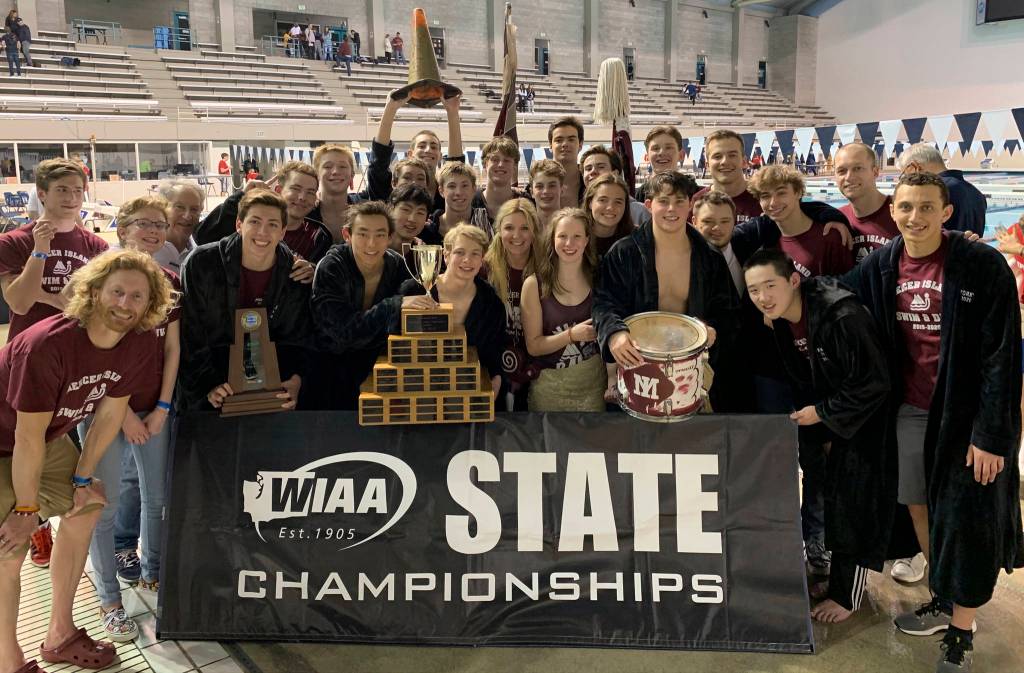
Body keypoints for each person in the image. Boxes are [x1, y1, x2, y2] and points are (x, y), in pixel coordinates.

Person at [842, 172, 1023, 673]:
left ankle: (962, 631)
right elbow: (835, 295)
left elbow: (1001, 356)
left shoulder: (981, 265)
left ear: (947, 212)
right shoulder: (882, 265)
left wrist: (992, 436)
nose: (914, 217)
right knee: (919, 505)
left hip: (967, 421)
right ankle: (944, 598)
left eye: (926, 207)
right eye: (905, 207)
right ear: (893, 211)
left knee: (965, 518)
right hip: (911, 411)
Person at [0, 249, 174, 673]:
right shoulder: (46, 345)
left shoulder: (135, 344)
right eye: (117, 292)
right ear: (94, 293)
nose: (125, 305)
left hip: (46, 436)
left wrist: (81, 479)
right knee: (9, 547)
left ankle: (59, 634)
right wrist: (26, 510)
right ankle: (9, 661)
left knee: (89, 505)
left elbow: (111, 413)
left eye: (138, 297)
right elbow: (25, 437)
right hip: (11, 437)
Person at [743, 249, 903, 624]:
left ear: (793, 281)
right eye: (754, 290)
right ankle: (836, 580)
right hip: (834, 414)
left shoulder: (842, 316)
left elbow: (877, 381)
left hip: (870, 419)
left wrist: (825, 413)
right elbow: (806, 375)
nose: (763, 297)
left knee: (853, 502)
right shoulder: (781, 319)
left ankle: (848, 596)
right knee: (829, 493)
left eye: (770, 285)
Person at [78, 197, 181, 642]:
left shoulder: (170, 281)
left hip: (151, 409)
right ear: (121, 228)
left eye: (160, 224)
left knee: (158, 498)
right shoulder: (105, 282)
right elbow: (94, 359)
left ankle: (153, 574)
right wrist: (122, 419)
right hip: (104, 411)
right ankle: (108, 599)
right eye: (143, 224)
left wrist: (161, 407)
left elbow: (173, 349)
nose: (153, 231)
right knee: (105, 506)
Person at [594, 171, 740, 412]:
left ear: (690, 205)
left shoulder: (709, 258)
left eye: (680, 201)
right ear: (650, 205)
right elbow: (604, 302)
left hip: (689, 371)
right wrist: (614, 334)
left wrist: (714, 330)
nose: (671, 209)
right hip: (637, 368)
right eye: (663, 201)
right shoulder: (623, 253)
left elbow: (729, 312)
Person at [178, 189, 311, 412]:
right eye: (255, 222)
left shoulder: (295, 274)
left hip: (271, 393)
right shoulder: (203, 263)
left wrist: (296, 379)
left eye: (272, 225)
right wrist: (207, 385)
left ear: (283, 232)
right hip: (213, 392)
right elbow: (191, 334)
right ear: (239, 224)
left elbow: (299, 337)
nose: (262, 232)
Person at [307, 201, 415, 410]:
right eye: (363, 234)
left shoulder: (397, 265)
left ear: (390, 237)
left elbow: (403, 328)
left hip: (378, 370)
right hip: (329, 371)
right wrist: (393, 305)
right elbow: (341, 333)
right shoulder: (331, 267)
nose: (371, 243)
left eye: (380, 234)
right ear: (347, 235)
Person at [0, 159, 108, 344]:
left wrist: (45, 296)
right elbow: (20, 304)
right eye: (62, 190)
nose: (71, 198)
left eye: (77, 191)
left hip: (78, 347)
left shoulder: (97, 246)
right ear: (42, 194)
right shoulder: (12, 242)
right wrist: (39, 251)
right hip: (31, 349)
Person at [399, 224, 506, 394]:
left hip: (467, 390)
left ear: (482, 259)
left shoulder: (491, 303)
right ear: (446, 255)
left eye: (475, 254)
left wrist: (497, 376)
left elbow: (495, 349)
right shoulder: (414, 290)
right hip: (418, 389)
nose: (467, 260)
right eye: (460, 252)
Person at [522, 208, 606, 411]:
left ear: (586, 241)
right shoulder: (534, 285)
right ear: (552, 240)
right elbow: (533, 346)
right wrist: (571, 335)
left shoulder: (600, 278)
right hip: (549, 391)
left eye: (577, 236)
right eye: (562, 236)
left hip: (593, 388)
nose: (569, 244)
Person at [485, 199, 545, 412]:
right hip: (494, 366)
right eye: (509, 228)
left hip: (537, 366)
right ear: (499, 230)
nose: (516, 236)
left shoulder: (547, 269)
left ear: (534, 231)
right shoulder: (486, 267)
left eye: (525, 228)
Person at [746, 165, 854, 279]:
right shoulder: (764, 242)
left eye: (781, 193)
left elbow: (846, 289)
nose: (773, 202)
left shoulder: (830, 237)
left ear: (798, 192)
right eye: (765, 196)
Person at [898, 142, 987, 236]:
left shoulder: (933, 191)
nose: (905, 180)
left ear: (914, 167)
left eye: (904, 175)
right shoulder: (976, 193)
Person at [835, 142, 900, 264]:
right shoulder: (836, 219)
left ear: (875, 172)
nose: (849, 177)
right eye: (842, 171)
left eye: (858, 168)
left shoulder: (903, 212)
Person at [271, 161, 331, 266]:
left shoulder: (319, 237)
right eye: (296, 189)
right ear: (278, 191)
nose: (302, 197)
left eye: (310, 192)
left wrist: (314, 272)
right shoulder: (255, 228)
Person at [580, 144, 651, 227]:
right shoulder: (579, 215)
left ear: (615, 173)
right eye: (588, 169)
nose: (593, 172)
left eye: (601, 167)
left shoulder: (639, 212)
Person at [423, 161, 490, 245]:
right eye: (452, 186)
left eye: (464, 186)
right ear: (441, 191)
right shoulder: (427, 228)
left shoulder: (487, 223)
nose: (458, 192)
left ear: (474, 189)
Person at [152, 179, 203, 273]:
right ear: (162, 208)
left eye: (194, 209)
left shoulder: (202, 253)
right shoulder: (149, 251)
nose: (187, 216)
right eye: (179, 207)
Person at [583, 174, 635, 260]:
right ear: (590, 203)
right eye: (603, 200)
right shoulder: (575, 237)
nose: (610, 207)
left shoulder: (637, 239)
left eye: (618, 202)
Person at [472, 136, 522, 224]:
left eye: (506, 160)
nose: (501, 164)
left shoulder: (525, 202)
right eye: (495, 159)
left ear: (514, 167)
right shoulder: (470, 202)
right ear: (485, 164)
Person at [635, 126, 684, 202]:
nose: (661, 152)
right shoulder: (635, 198)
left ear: (681, 155)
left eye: (668, 147)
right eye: (655, 148)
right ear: (647, 157)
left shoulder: (696, 195)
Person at [388, 183, 433, 253]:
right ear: (391, 209)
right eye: (406, 210)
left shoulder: (424, 253)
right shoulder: (374, 248)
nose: (412, 219)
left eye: (420, 213)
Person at [528, 159, 564, 232]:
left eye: (552, 186)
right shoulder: (525, 227)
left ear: (562, 190)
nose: (546, 191)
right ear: (531, 192)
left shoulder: (572, 225)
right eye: (539, 186)